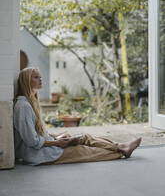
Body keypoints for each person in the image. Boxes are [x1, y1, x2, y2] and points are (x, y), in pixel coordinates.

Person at [13, 67, 142, 166]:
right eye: (36, 77)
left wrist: (56, 137)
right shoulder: (23, 107)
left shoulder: (30, 104)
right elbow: (32, 141)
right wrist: (57, 142)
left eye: (40, 76)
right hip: (39, 155)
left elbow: (37, 133)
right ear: (26, 82)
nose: (40, 79)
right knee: (85, 151)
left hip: (47, 146)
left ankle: (120, 146)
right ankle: (121, 150)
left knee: (83, 137)